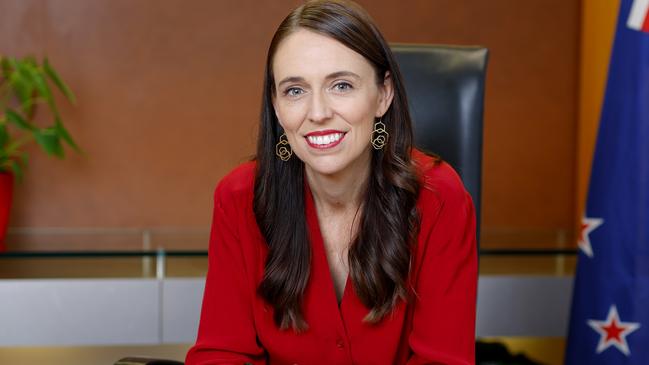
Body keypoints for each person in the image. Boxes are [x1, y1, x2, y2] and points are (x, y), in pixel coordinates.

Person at [185, 1, 477, 364]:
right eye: (295, 90)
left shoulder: (439, 198)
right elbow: (223, 352)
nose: (319, 112)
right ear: (276, 105)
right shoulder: (239, 198)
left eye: (341, 85)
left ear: (383, 94)